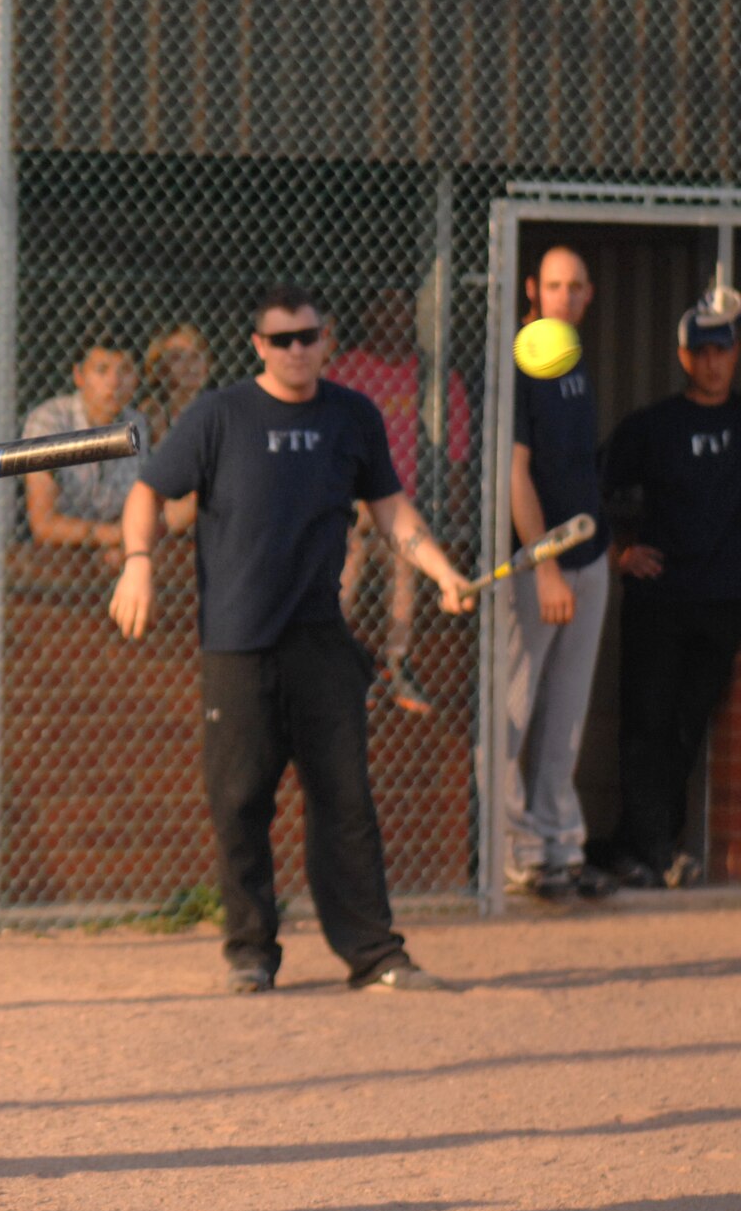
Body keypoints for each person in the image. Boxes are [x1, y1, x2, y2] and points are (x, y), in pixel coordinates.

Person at [109, 286, 472, 994]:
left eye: (307, 336)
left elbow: (391, 509)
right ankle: (251, 950)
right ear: (257, 346)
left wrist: (441, 571)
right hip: (238, 642)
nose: (295, 350)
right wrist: (138, 562)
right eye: (280, 340)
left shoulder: (352, 416)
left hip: (320, 640)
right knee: (239, 797)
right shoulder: (219, 415)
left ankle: (373, 953)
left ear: (327, 338)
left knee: (345, 797)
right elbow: (148, 491)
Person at [602, 289, 741, 890]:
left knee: (687, 725)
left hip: (723, 601)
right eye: (701, 352)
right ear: (683, 357)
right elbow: (589, 489)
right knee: (646, 722)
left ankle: (656, 845)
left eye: (722, 351)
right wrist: (618, 557)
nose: (712, 362)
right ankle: (647, 850)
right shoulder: (651, 427)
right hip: (660, 603)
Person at [504, 247, 615, 900]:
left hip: (590, 555)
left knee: (568, 711)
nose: (565, 297)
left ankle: (560, 846)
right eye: (554, 286)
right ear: (532, 289)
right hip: (538, 565)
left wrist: (588, 555)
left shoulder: (570, 356)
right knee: (514, 710)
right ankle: (516, 856)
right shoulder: (522, 358)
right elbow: (518, 471)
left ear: (590, 293)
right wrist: (543, 565)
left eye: (576, 286)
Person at [329, 288, 473, 715]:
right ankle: (331, 659)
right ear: (367, 313)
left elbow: (456, 460)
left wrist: (455, 519)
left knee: (404, 553)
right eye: (382, 305)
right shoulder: (343, 372)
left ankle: (396, 663)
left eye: (401, 307)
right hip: (352, 504)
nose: (392, 316)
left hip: (404, 508)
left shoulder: (437, 377)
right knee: (352, 551)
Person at [22, 331, 147, 553]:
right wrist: (113, 535)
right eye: (102, 370)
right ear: (79, 376)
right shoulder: (51, 420)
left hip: (112, 548)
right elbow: (43, 524)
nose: (115, 382)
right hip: (43, 553)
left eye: (125, 370)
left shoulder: (137, 425)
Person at [141, 322, 211, 443]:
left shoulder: (216, 409)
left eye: (195, 356)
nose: (190, 365)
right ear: (159, 368)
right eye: (177, 357)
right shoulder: (149, 414)